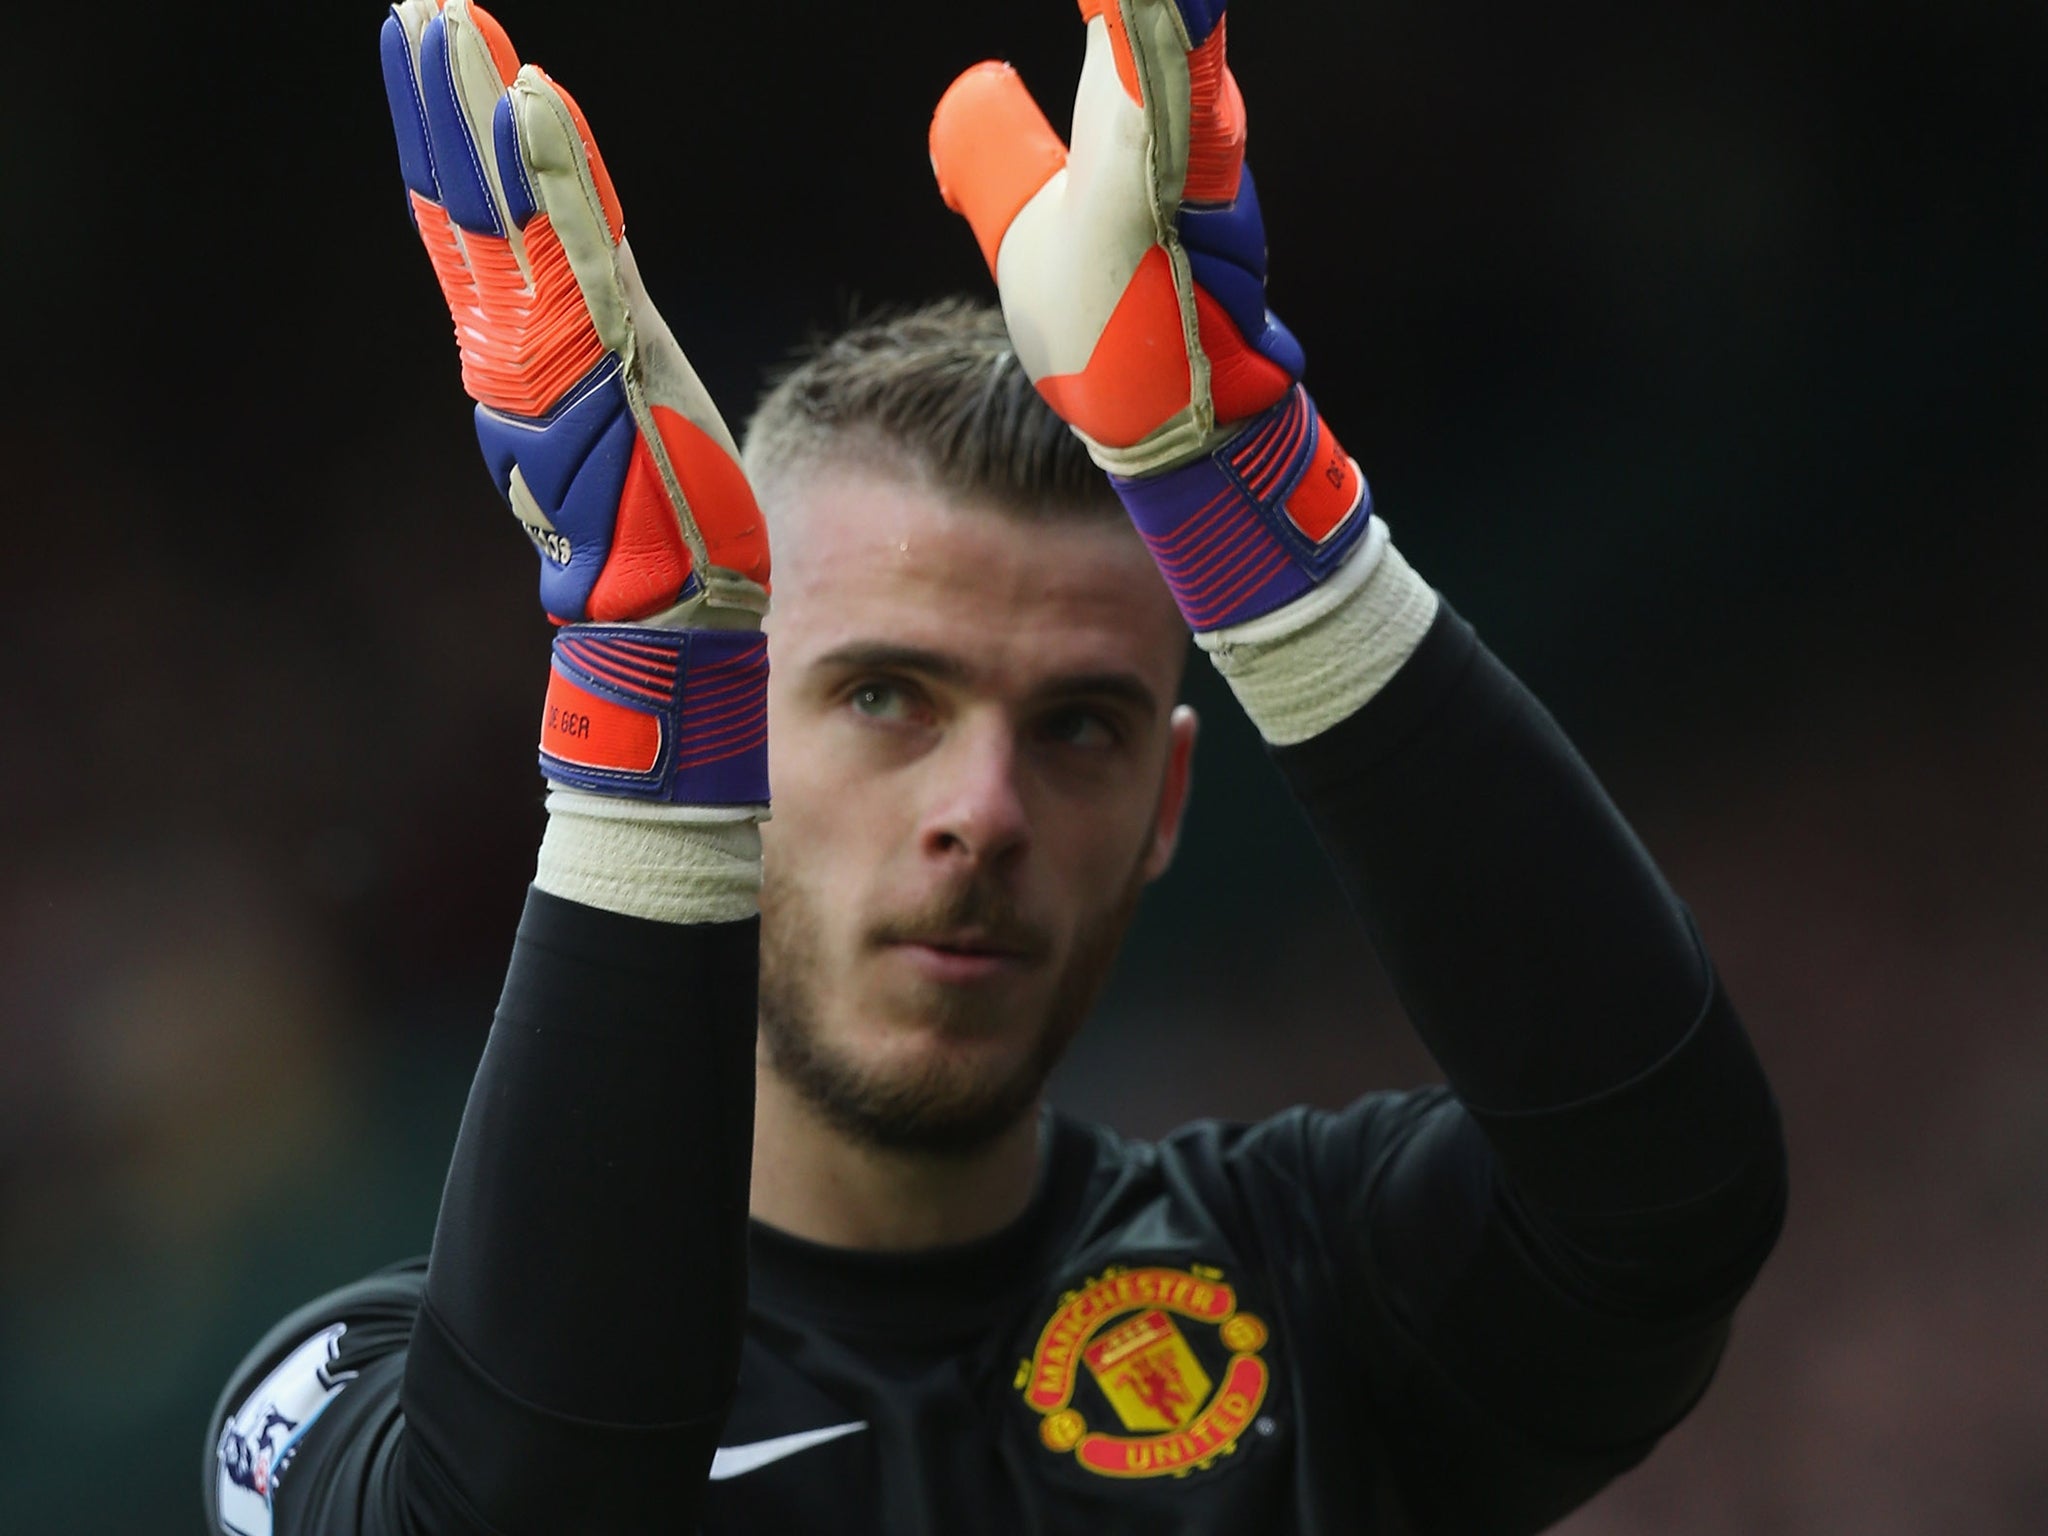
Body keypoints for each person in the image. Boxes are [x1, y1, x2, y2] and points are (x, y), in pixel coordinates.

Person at [205, 2, 1788, 1532]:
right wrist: (648, 682)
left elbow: (1668, 1202)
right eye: (887, 696)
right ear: (735, 760)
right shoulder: (362, 1393)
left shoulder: (1309, 1285)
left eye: (1080, 727)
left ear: (1169, 807)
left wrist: (1262, 520)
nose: (984, 813)